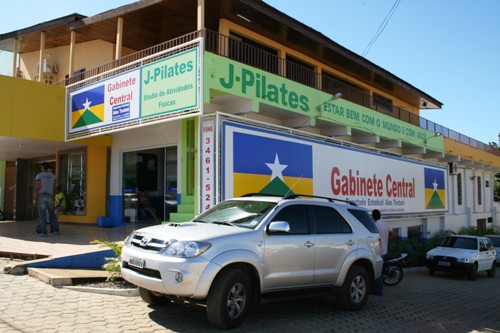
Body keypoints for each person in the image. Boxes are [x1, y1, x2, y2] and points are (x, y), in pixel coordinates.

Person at [33, 162, 60, 236]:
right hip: (50, 196)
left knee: (42, 215)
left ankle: (44, 232)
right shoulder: (53, 176)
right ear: (48, 167)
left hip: (41, 197)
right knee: (52, 214)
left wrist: (34, 199)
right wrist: (54, 198)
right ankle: (56, 230)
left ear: (42, 167)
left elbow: (37, 188)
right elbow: (54, 188)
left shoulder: (39, 176)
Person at [372, 209, 394, 295]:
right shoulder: (386, 224)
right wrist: (387, 239)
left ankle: (379, 290)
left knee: (377, 271)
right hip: (384, 250)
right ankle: (377, 288)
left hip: (377, 251)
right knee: (379, 270)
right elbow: (393, 234)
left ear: (373, 216)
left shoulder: (374, 225)